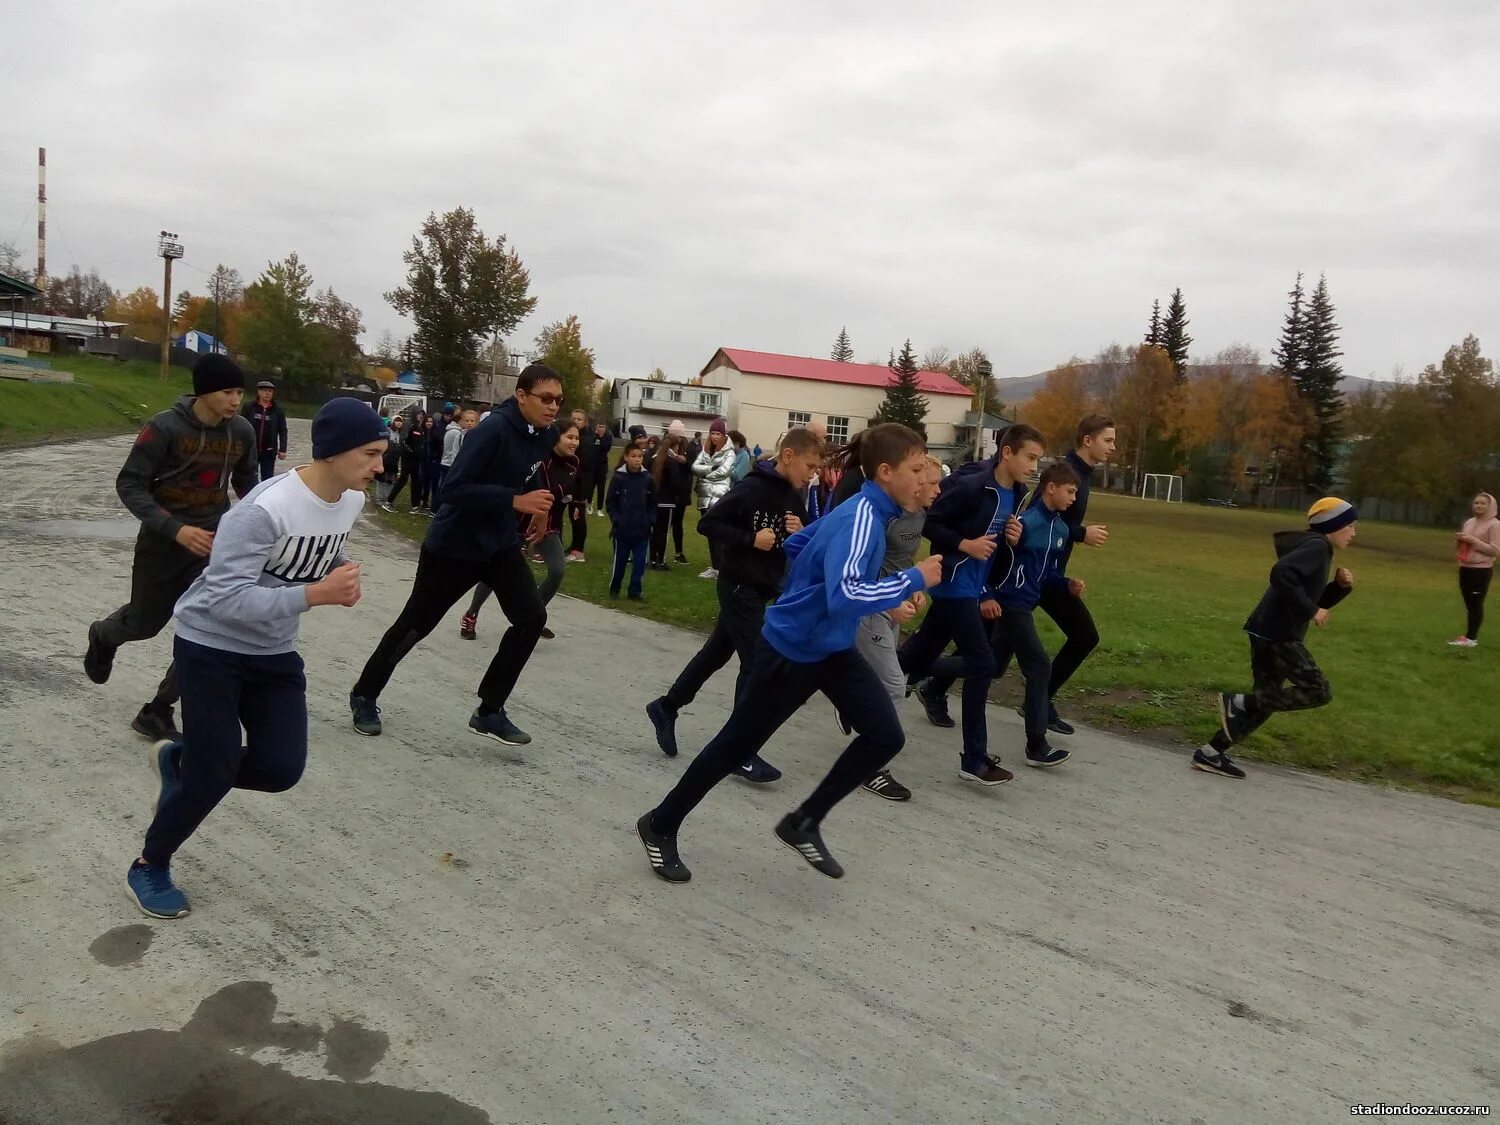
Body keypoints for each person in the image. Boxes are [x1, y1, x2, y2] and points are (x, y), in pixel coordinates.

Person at [635, 423, 944, 884]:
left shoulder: (867, 512)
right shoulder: (862, 516)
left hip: (831, 648)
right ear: (885, 472)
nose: (924, 480)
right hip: (793, 651)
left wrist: (861, 591)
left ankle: (803, 822)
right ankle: (660, 823)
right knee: (735, 745)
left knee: (885, 736)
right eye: (917, 469)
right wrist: (911, 581)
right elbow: (844, 596)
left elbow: (802, 543)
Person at [125, 399, 387, 919]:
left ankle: (181, 762)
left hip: (273, 649)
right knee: (215, 771)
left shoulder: (350, 500)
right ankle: (149, 863)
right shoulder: (263, 509)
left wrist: (337, 567)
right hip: (210, 647)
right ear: (334, 452)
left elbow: (315, 545)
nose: (380, 466)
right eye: (371, 454)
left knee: (280, 768)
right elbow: (223, 598)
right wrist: (314, 596)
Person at [349, 366, 561, 746]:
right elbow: (453, 489)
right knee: (415, 625)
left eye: (559, 400)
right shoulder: (491, 431)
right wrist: (514, 500)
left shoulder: (545, 433)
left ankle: (489, 711)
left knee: (531, 618)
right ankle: (365, 695)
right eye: (546, 398)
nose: (554, 406)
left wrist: (539, 508)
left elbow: (529, 474)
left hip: (499, 544)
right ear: (522, 395)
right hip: (454, 547)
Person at [85, 354, 258, 741]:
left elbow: (250, 484)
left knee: (208, 629)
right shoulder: (163, 427)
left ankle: (159, 709)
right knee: (144, 623)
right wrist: (175, 529)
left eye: (239, 392)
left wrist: (263, 523)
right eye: (227, 391)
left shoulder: (243, 432)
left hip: (213, 545)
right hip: (163, 544)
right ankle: (105, 635)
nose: (235, 400)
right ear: (204, 392)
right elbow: (130, 484)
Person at [644, 428, 821, 781]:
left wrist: (803, 527)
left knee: (717, 653)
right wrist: (750, 539)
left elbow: (807, 535)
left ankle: (666, 707)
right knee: (758, 665)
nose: (813, 473)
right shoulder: (752, 488)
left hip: (761, 587)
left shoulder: (791, 493)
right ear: (788, 456)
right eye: (810, 464)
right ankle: (740, 750)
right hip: (739, 584)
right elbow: (709, 524)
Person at [899, 424, 1043, 786]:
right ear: (1007, 452)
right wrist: (965, 544)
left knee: (915, 658)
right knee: (982, 664)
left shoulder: (1018, 492)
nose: (1033, 465)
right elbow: (929, 522)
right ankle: (974, 759)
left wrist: (1014, 536)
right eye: (1030, 457)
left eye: (1037, 459)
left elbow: (996, 542)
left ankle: (864, 674)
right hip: (953, 584)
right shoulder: (972, 486)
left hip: (976, 585)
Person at [1197, 498, 1358, 778]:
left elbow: (1307, 596)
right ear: (1335, 525)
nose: (1354, 533)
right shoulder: (1318, 547)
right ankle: (1240, 703)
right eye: (1351, 526)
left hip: (1267, 630)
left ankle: (1211, 752)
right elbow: (1281, 574)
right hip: (1279, 635)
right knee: (1318, 690)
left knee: (1269, 700)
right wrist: (1311, 610)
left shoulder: (1315, 547)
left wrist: (1339, 588)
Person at [934, 462, 1080, 769]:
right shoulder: (1022, 522)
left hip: (1025, 603)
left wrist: (1067, 584)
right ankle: (1037, 746)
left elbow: (1047, 573)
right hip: (1010, 603)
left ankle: (921, 670)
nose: (1073, 499)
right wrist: (986, 594)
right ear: (1051, 487)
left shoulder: (1062, 530)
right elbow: (997, 560)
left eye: (1076, 493)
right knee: (1039, 666)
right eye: (1070, 491)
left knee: (992, 666)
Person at [838, 451, 945, 801]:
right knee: (895, 686)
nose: (937, 490)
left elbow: (902, 559)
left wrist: (914, 589)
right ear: (914, 483)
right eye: (931, 482)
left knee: (872, 677)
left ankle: (850, 702)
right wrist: (891, 599)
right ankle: (873, 767)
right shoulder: (885, 518)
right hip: (873, 607)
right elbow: (867, 564)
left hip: (894, 604)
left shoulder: (920, 515)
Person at [462, 417, 578, 641]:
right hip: (516, 521)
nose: (574, 442)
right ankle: (471, 614)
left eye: (577, 438)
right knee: (493, 573)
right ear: (556, 438)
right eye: (569, 437)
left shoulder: (574, 464)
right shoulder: (538, 458)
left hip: (547, 524)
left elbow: (560, 496)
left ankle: (533, 615)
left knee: (557, 570)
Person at [1034, 415, 1114, 732]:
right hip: (1034, 572)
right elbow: (1041, 519)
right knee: (994, 643)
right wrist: (1081, 533)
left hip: (1051, 574)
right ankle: (927, 679)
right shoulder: (1067, 472)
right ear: (1087, 440)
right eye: (1108, 440)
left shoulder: (1082, 473)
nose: (1113, 447)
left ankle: (1039, 702)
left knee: (997, 641)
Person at [1451, 492, 1499, 647]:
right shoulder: (1469, 522)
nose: (1479, 506)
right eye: (1476, 503)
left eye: (1483, 503)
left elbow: (1495, 550)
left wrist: (1473, 541)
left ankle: (1471, 639)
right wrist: (1459, 540)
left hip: (1481, 570)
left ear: (1490, 506)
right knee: (1469, 603)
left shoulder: (1495, 525)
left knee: (1475, 604)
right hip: (1465, 567)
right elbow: (1465, 544)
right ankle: (1469, 637)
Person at [607, 444, 654, 600]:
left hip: (642, 529)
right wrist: (616, 519)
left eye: (639, 456)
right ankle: (615, 588)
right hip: (623, 530)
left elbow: (653, 502)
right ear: (626, 457)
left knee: (640, 564)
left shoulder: (648, 478)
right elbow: (611, 502)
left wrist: (650, 520)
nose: (636, 459)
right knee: (620, 562)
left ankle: (635, 591)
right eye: (633, 456)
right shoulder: (619, 478)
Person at [692, 421, 736, 578]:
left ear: (723, 435)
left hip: (719, 497)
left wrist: (705, 474)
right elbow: (695, 467)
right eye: (713, 433)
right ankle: (715, 566)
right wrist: (710, 469)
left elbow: (724, 472)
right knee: (710, 533)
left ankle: (721, 568)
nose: (715, 437)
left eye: (718, 434)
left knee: (718, 534)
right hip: (704, 496)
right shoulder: (705, 450)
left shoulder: (729, 452)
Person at [649, 433, 693, 569]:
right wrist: (677, 495)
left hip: (654, 501)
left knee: (654, 531)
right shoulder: (671, 461)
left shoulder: (653, 458)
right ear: (675, 445)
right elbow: (676, 483)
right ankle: (661, 561)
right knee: (663, 532)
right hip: (667, 502)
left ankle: (652, 560)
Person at [571, 411, 603, 554]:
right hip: (572, 481)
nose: (576, 421)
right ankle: (573, 545)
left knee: (578, 515)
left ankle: (578, 549)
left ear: (585, 422)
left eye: (579, 419)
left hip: (582, 483)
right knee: (572, 515)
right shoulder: (574, 437)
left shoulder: (587, 440)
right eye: (573, 418)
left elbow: (586, 464)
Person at [245, 380, 288, 483]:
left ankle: (264, 497)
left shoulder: (278, 410)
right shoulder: (249, 407)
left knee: (267, 479)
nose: (268, 393)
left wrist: (283, 449)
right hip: (251, 450)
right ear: (259, 392)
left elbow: (283, 430)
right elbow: (242, 427)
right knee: (248, 477)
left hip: (269, 451)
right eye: (265, 391)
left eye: (270, 391)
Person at [437, 408, 477, 512]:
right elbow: (455, 454)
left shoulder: (480, 437)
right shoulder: (459, 436)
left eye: (472, 421)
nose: (469, 423)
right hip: (460, 471)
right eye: (467, 421)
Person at [389, 410, 426, 512]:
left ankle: (415, 505)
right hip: (408, 458)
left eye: (422, 415)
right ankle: (389, 501)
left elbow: (420, 442)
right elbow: (402, 440)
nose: (420, 416)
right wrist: (411, 451)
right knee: (402, 480)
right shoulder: (408, 424)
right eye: (419, 414)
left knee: (416, 482)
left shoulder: (420, 427)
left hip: (417, 459)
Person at [417, 414, 442, 512]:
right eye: (427, 421)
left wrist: (435, 456)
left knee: (431, 482)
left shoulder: (435, 434)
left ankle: (428, 502)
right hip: (422, 460)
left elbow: (438, 446)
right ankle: (422, 500)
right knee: (423, 481)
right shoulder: (421, 432)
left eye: (431, 422)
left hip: (432, 460)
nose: (429, 423)